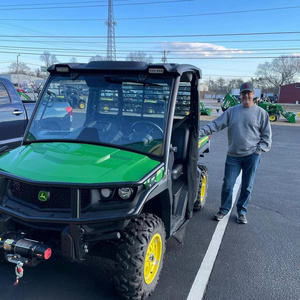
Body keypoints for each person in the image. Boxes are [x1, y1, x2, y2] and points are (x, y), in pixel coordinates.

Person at [199, 82, 272, 224]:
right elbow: (215, 124)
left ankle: (241, 212)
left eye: (248, 93)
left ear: (253, 94)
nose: (246, 95)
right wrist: (200, 133)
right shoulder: (232, 111)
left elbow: (266, 137)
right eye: (243, 93)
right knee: (228, 184)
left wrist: (258, 150)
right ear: (240, 95)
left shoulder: (261, 114)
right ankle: (224, 209)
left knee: (247, 186)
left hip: (252, 156)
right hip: (233, 156)